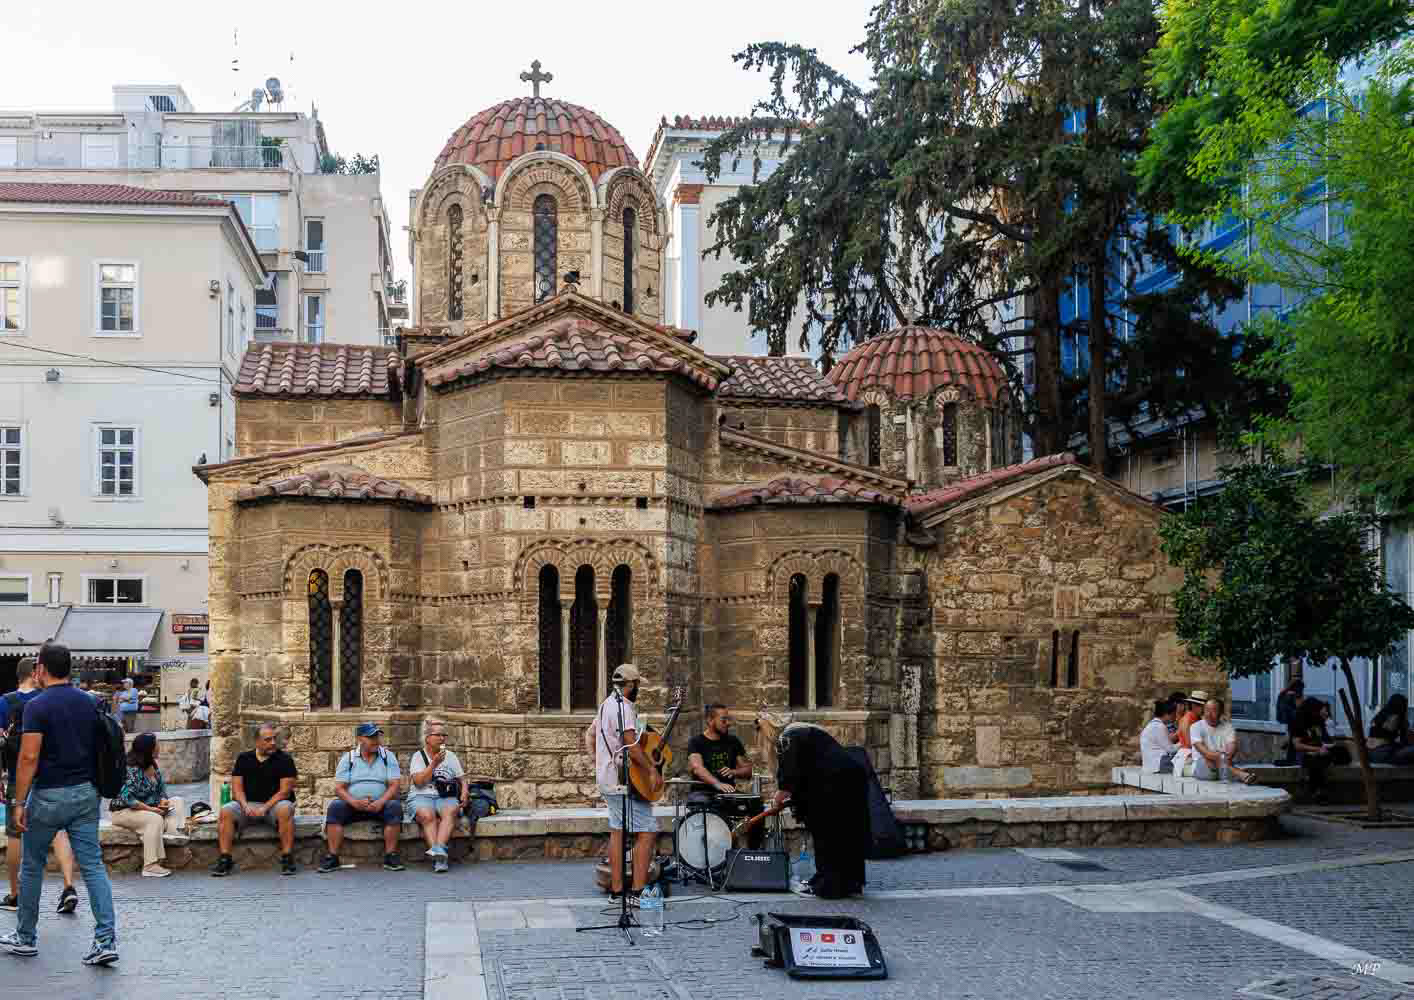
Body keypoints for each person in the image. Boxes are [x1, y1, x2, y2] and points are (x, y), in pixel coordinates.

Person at [0, 642, 118, 966]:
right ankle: (105, 940)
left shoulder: (36, 707)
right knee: (93, 866)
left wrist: (19, 802)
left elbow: (28, 756)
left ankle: (25, 936)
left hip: (49, 794)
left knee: (33, 864)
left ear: (41, 668)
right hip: (85, 793)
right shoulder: (91, 703)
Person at [758, 712, 870, 899]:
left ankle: (830, 886)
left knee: (827, 834)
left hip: (832, 786)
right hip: (850, 780)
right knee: (847, 832)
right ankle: (848, 882)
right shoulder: (803, 731)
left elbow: (789, 779)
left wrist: (776, 802)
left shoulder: (787, 739)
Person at [1, 657, 80, 915]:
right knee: (58, 831)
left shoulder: (5, 702)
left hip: (16, 774)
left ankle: (15, 894)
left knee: (14, 834)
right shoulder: (46, 700)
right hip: (47, 775)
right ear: (35, 674)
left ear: (18, 676)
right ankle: (69, 886)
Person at [589, 664, 657, 903]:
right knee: (647, 830)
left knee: (617, 832)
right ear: (630, 685)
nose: (638, 689)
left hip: (607, 778)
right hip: (621, 780)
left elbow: (590, 735)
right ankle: (638, 892)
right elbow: (630, 742)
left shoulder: (606, 704)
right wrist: (651, 770)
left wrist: (602, 763)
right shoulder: (623, 707)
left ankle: (617, 892)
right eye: (637, 684)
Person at [211, 723, 298, 877]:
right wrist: (244, 806)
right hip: (248, 803)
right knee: (226, 811)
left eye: (274, 739)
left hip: (275, 805)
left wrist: (265, 808)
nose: (272, 743)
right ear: (257, 742)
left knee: (285, 809)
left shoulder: (285, 759)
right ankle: (225, 858)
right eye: (267, 740)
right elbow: (237, 789)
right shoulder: (244, 758)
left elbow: (285, 791)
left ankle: (287, 857)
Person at [318, 722, 404, 873]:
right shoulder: (349, 758)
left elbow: (394, 785)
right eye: (371, 737)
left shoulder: (387, 757)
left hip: (380, 805)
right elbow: (339, 788)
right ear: (359, 739)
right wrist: (354, 802)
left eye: (377, 736)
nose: (375, 740)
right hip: (354, 805)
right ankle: (332, 857)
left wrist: (381, 801)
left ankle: (391, 856)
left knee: (394, 807)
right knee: (335, 808)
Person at [107, 733, 188, 878]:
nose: (159, 747)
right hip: (124, 811)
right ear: (149, 749)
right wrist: (152, 809)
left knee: (178, 801)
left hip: (148, 809)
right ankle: (150, 866)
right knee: (154, 819)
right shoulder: (131, 768)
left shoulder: (152, 766)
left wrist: (163, 800)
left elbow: (161, 789)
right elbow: (127, 798)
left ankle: (170, 832)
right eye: (157, 744)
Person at [407, 718, 467, 874]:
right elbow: (419, 782)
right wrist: (433, 764)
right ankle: (441, 859)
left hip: (445, 796)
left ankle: (438, 851)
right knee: (428, 816)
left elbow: (462, 779)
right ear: (428, 738)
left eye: (444, 735)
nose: (442, 738)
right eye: (438, 735)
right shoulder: (418, 757)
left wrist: (465, 792)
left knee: (450, 811)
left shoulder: (451, 756)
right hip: (421, 795)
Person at [687, 704, 752, 795]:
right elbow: (697, 768)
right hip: (702, 793)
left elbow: (748, 770)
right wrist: (717, 784)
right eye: (723, 720)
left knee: (754, 804)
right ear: (710, 720)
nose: (728, 723)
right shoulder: (696, 742)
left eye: (728, 719)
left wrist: (734, 772)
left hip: (728, 793)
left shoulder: (733, 741)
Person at [1290, 698, 1347, 802]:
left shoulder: (1319, 722)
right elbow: (1297, 745)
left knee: (1341, 751)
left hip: (1320, 750)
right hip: (1304, 753)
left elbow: (1326, 740)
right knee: (1316, 760)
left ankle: (1317, 789)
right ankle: (1319, 790)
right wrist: (1316, 749)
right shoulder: (1298, 723)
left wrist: (1329, 745)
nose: (1324, 712)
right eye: (1321, 710)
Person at [1190, 698, 1258, 784]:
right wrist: (1221, 756)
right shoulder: (1196, 727)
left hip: (1223, 764)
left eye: (1214, 711)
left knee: (1218, 761)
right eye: (1207, 710)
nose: (1209, 714)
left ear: (1221, 712)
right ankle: (1241, 774)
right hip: (1202, 766)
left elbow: (1231, 749)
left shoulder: (1228, 727)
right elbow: (1205, 753)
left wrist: (1222, 757)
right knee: (1208, 760)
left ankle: (1237, 774)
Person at [1368, 694, 1414, 765]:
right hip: (1384, 753)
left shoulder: (1380, 716)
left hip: (1371, 754)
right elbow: (1404, 741)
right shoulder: (1395, 717)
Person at [1139, 699, 1178, 773]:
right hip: (1158, 764)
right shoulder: (1159, 726)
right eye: (1174, 714)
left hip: (1150, 764)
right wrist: (1183, 744)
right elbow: (1171, 749)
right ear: (1166, 714)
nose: (1175, 717)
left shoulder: (1152, 724)